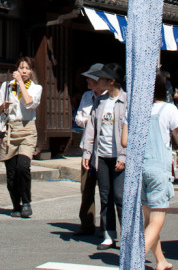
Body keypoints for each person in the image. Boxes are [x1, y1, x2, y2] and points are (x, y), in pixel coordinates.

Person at [121, 71, 178, 270]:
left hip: (138, 169)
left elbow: (124, 141)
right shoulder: (168, 109)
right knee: (157, 221)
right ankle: (134, 261)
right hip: (158, 168)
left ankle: (161, 261)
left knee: (148, 219)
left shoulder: (134, 109)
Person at [80, 62, 126, 251]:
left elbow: (128, 130)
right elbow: (91, 127)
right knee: (105, 195)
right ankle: (109, 234)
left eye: (103, 78)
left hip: (119, 155)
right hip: (102, 155)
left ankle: (128, 235)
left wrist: (123, 155)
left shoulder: (126, 101)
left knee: (120, 197)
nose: (99, 81)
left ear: (112, 80)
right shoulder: (100, 101)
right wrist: (87, 152)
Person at [0, 56, 42, 219]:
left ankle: (27, 202)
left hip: (27, 128)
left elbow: (29, 102)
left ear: (31, 71)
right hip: (11, 129)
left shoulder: (36, 88)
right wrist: (3, 106)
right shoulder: (6, 86)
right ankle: (16, 204)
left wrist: (20, 83)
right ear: (17, 68)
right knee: (11, 173)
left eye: (27, 68)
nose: (24, 71)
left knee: (23, 166)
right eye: (21, 68)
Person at [73, 63, 104, 235]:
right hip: (88, 145)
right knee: (86, 187)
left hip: (105, 147)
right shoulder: (87, 96)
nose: (88, 81)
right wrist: (87, 122)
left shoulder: (109, 97)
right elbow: (79, 117)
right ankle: (86, 223)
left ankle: (107, 226)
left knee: (106, 189)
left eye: (91, 78)